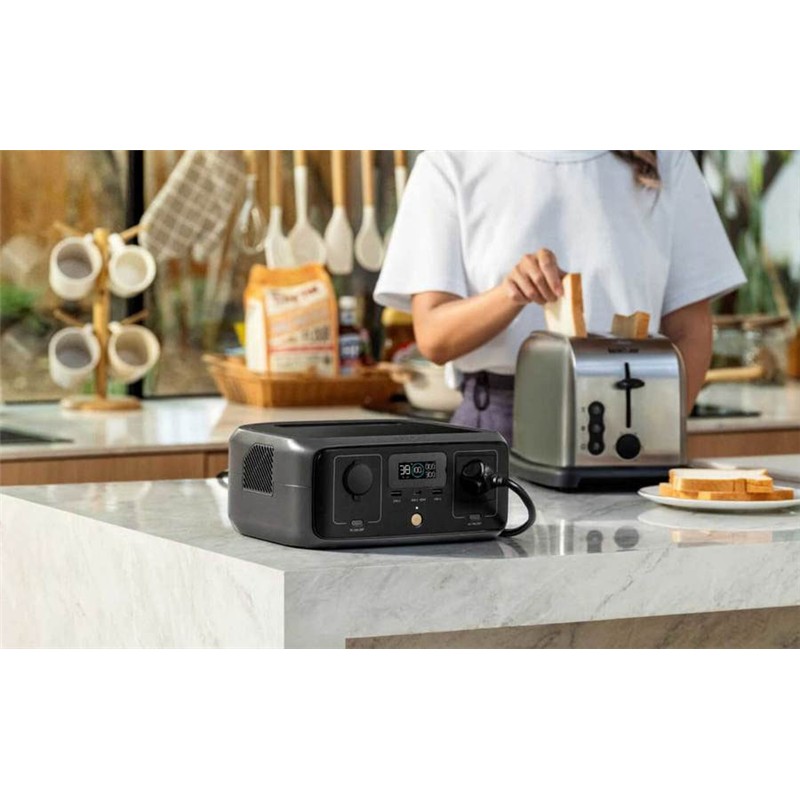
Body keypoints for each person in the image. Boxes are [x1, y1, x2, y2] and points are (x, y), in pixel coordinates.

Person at [374, 150, 745, 444]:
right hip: (498, 430)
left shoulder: (666, 157)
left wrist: (659, 434)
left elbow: (690, 331)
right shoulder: (451, 159)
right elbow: (434, 337)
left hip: (631, 419)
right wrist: (510, 294)